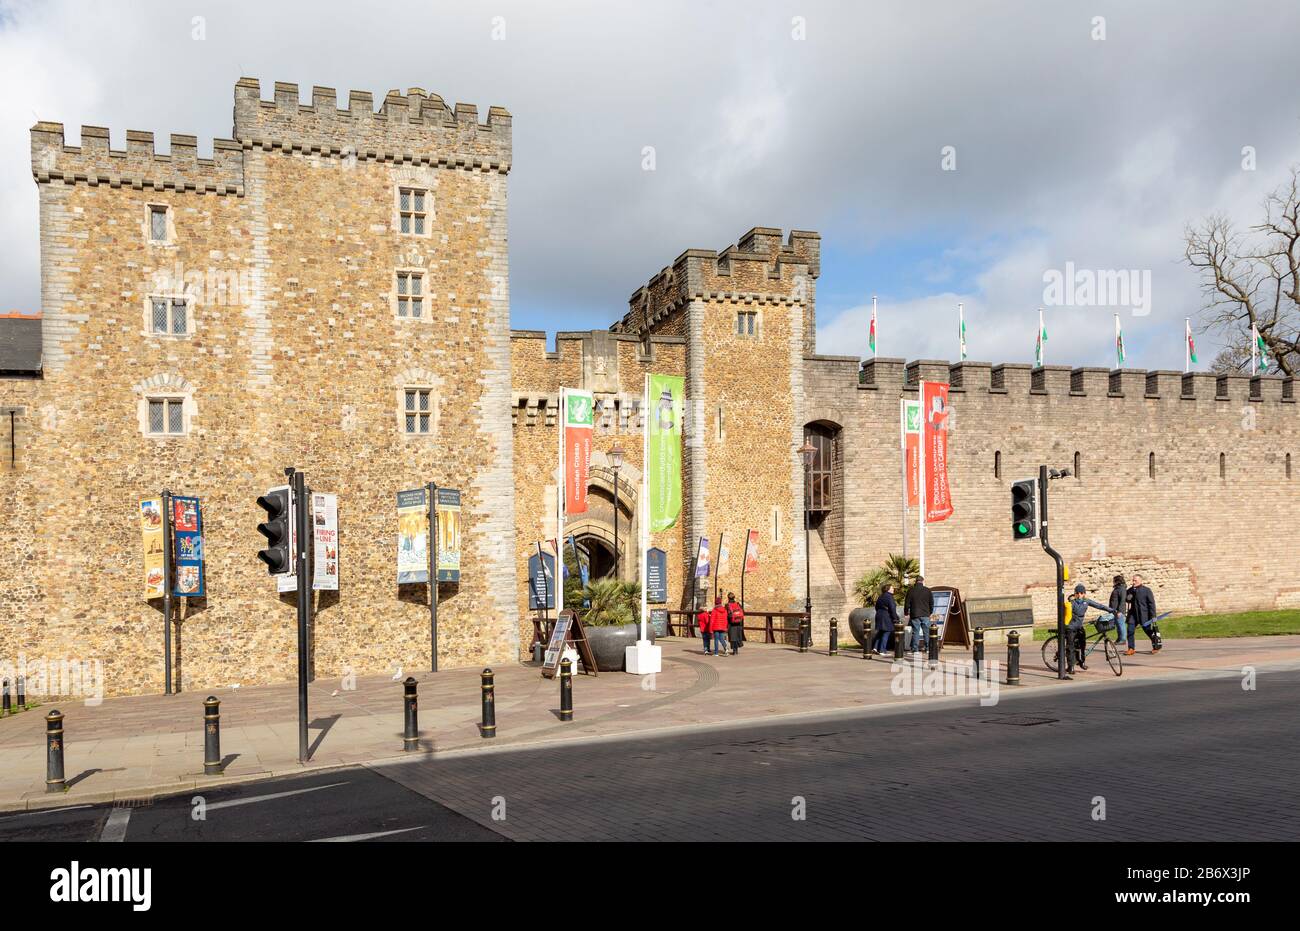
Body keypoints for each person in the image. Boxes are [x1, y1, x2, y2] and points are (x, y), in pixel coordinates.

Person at [1066, 584, 1111, 673]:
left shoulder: (1086, 601)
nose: (1079, 595)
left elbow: (1099, 605)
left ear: (1084, 594)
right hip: (1071, 627)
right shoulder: (1072, 603)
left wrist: (1111, 610)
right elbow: (1074, 611)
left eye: (1081, 593)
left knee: (1082, 645)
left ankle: (1081, 662)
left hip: (1079, 627)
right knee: (1070, 647)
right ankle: (1070, 667)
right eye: (1077, 593)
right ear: (1075, 594)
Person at [1127, 574, 1161, 655]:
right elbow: (1127, 599)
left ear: (1140, 581)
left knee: (1148, 631)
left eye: (1135, 580)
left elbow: (1151, 604)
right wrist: (1128, 598)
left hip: (1144, 615)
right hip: (1133, 615)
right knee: (1130, 630)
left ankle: (1156, 647)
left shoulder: (1147, 590)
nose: (1133, 582)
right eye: (1133, 580)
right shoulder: (1130, 590)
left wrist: (1153, 616)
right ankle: (1131, 648)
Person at [904, 575, 934, 656]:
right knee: (926, 632)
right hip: (925, 614)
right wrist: (930, 612)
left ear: (915, 581)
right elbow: (931, 603)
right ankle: (928, 648)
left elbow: (907, 604)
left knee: (915, 632)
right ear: (922, 581)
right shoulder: (927, 590)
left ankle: (915, 649)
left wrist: (906, 613)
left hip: (915, 614)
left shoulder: (911, 590)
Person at [871, 584, 899, 655]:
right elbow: (892, 608)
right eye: (892, 588)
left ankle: (875, 648)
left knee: (880, 632)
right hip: (887, 616)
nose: (893, 589)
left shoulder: (880, 596)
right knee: (886, 632)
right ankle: (882, 650)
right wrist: (895, 618)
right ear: (888, 589)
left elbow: (876, 607)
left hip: (879, 615)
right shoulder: (889, 597)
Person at [1108, 574, 1128, 646]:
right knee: (1118, 625)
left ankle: (1123, 639)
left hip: (1119, 611)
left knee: (1121, 625)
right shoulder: (1118, 588)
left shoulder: (1121, 589)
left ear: (1117, 581)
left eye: (1114, 581)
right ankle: (1119, 638)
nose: (1113, 582)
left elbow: (1122, 601)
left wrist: (1120, 611)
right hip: (1115, 611)